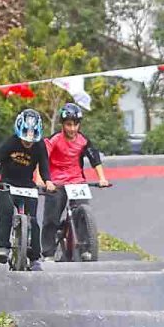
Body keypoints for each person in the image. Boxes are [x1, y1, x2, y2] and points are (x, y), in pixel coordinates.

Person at [0, 109, 55, 270]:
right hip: (8, 184)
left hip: (27, 185)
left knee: (33, 220)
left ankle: (34, 258)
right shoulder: (11, 142)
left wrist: (48, 181)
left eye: (31, 140)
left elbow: (44, 166)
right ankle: (3, 246)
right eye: (25, 140)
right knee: (5, 210)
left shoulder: (39, 146)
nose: (28, 143)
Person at [41, 103, 110, 261]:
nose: (72, 129)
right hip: (56, 182)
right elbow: (42, 159)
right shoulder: (55, 139)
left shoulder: (83, 141)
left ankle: (86, 247)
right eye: (69, 125)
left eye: (75, 124)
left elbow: (95, 160)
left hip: (76, 180)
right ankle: (48, 253)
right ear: (63, 124)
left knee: (83, 212)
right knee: (51, 218)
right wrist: (42, 179)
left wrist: (102, 178)